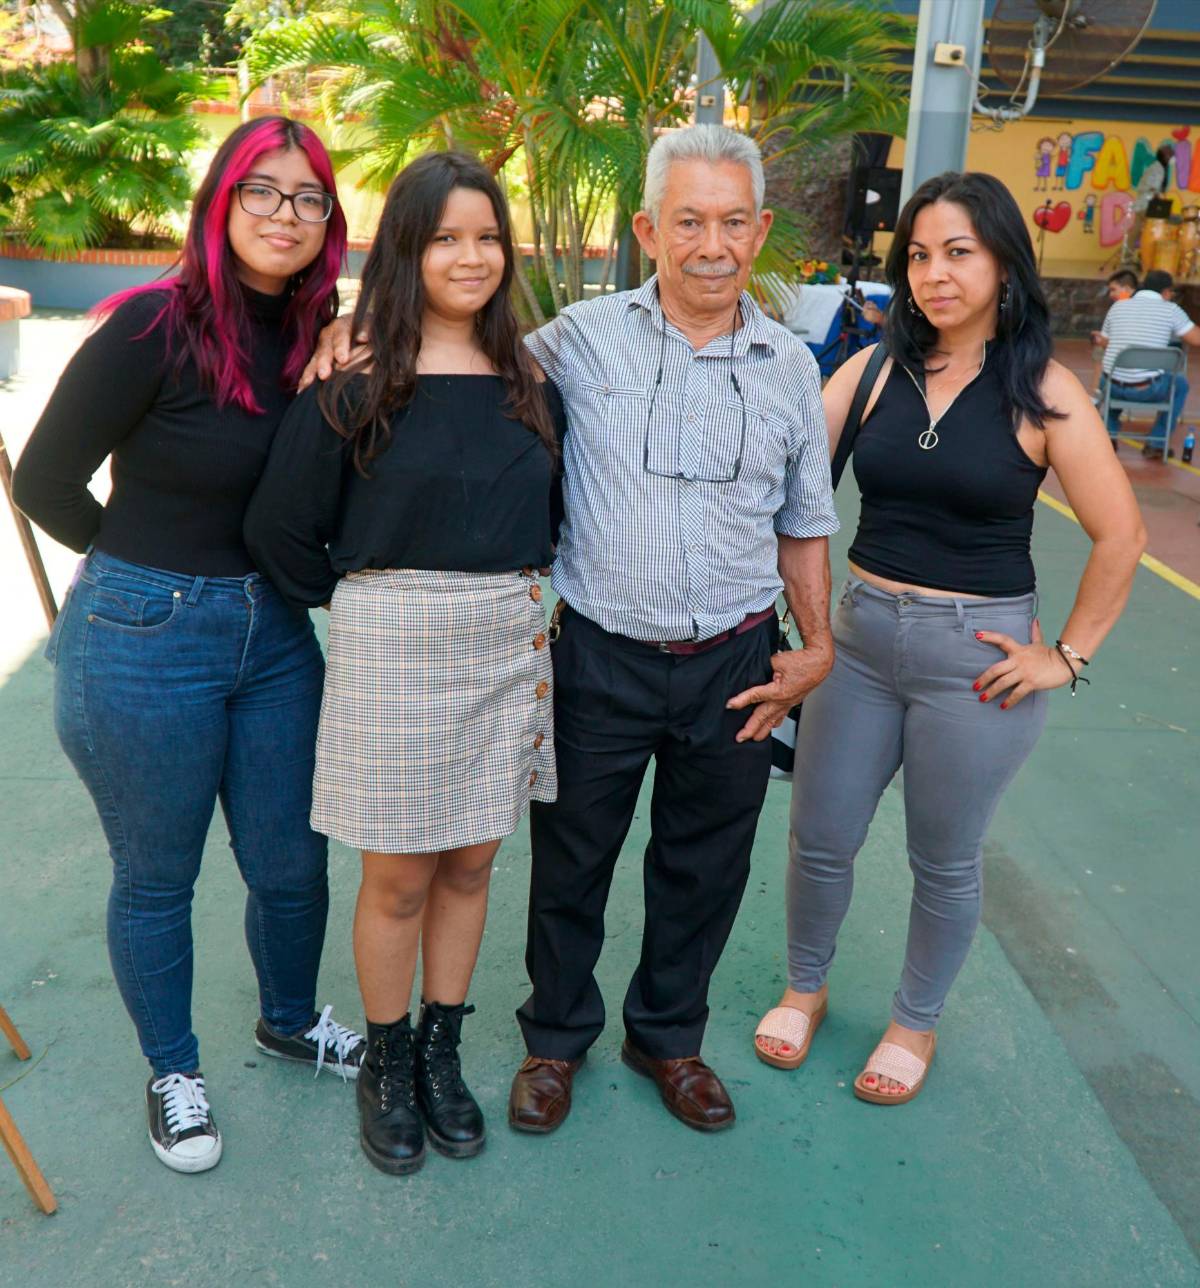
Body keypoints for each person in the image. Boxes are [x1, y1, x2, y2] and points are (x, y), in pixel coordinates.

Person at [305, 125, 838, 1136]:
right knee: (572, 860)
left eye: (733, 222)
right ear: (648, 229)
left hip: (735, 654)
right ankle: (554, 1039)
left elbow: (803, 522)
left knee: (706, 862)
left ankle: (669, 1038)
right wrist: (356, 332)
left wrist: (814, 645)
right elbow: (457, 352)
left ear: (761, 230)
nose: (713, 244)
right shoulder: (572, 342)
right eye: (689, 221)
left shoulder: (790, 369)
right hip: (595, 650)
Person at [11, 117, 364, 1174]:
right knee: (158, 875)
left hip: (276, 634)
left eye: (308, 198)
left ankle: (290, 1017)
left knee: (293, 862)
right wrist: (135, 571)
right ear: (219, 201)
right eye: (262, 191)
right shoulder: (150, 327)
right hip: (143, 633)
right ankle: (174, 1069)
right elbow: (40, 482)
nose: (285, 215)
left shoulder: (321, 335)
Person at [753, 171, 1145, 1105]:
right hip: (858, 640)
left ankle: (912, 1022)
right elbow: (787, 473)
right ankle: (803, 988)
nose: (935, 274)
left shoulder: (1044, 391)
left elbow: (1122, 533)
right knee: (819, 836)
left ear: (1005, 263)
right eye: (919, 256)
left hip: (976, 661)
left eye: (959, 252)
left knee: (943, 857)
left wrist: (1067, 655)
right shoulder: (874, 369)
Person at [244, 152, 565, 1175]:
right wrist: (368, 604)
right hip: (391, 638)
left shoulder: (532, 377)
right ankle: (386, 1064)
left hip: (505, 635)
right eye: (445, 238)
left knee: (472, 860)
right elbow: (282, 529)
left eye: (487, 237)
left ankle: (440, 1050)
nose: (470, 257)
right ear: (407, 250)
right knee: (396, 878)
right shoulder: (357, 373)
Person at [1096, 268, 1200, 456]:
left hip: (1111, 386)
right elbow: (1196, 339)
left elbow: (1104, 342)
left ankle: (1108, 436)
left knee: (1115, 372)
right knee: (1181, 384)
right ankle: (1156, 444)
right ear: (1167, 292)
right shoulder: (1171, 310)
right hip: (1147, 389)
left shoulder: (1119, 305)